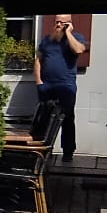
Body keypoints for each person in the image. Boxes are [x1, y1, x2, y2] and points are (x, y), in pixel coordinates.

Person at [34, 14, 85, 162]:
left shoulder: (76, 38)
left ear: (69, 24)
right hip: (47, 85)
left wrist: (68, 33)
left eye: (62, 23)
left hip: (66, 86)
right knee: (44, 117)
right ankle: (42, 150)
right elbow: (38, 60)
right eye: (56, 22)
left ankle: (68, 151)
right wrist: (39, 82)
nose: (58, 25)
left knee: (67, 118)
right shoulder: (47, 40)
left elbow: (79, 50)